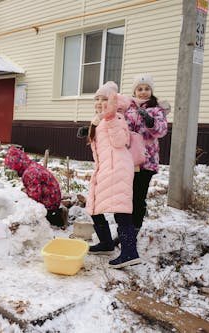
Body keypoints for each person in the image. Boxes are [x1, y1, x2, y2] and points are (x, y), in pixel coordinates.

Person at [84, 81, 139, 268]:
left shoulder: (117, 118)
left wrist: (111, 119)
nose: (100, 102)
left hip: (117, 169)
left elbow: (120, 141)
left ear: (114, 101)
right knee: (93, 207)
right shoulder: (99, 119)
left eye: (105, 99)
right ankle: (107, 243)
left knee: (121, 211)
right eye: (97, 99)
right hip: (105, 168)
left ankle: (130, 252)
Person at [123, 74, 168, 237]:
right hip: (128, 160)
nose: (143, 92)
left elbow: (162, 131)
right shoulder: (128, 107)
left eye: (147, 88)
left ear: (151, 90)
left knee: (138, 198)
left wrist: (150, 121)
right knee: (127, 198)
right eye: (140, 89)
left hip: (147, 161)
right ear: (134, 91)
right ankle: (125, 231)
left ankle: (133, 231)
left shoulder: (157, 109)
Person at [4, 147, 68, 228]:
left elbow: (34, 197)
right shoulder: (30, 165)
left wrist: (21, 203)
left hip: (49, 203)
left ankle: (56, 217)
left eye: (12, 166)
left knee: (29, 215)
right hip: (53, 198)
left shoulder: (29, 173)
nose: (12, 169)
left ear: (16, 164)